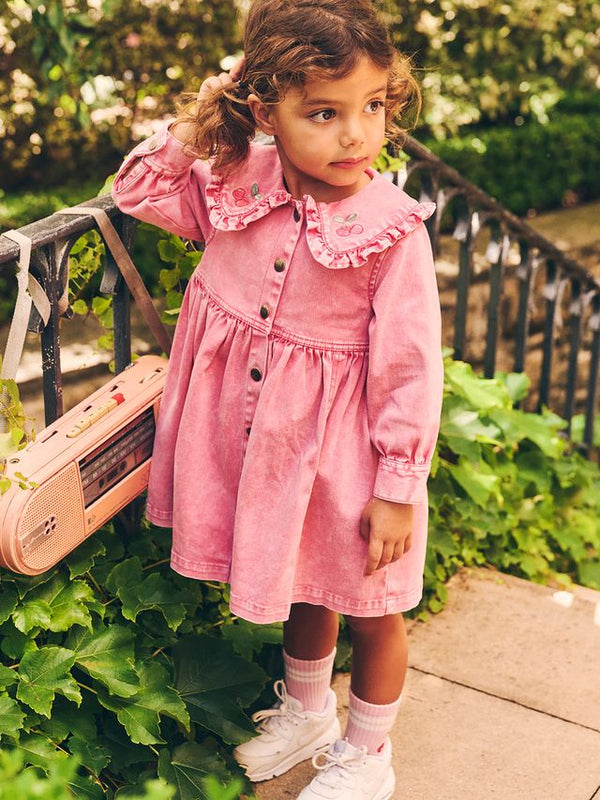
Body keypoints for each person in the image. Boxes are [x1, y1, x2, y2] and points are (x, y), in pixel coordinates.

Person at [111, 1, 443, 797]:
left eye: (372, 108)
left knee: (370, 606)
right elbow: (133, 190)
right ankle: (305, 710)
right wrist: (205, 115)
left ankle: (367, 754)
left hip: (349, 463)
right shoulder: (233, 182)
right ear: (266, 110)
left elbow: (411, 369)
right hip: (269, 455)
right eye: (323, 114)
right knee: (307, 580)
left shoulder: (391, 233)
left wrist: (398, 490)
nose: (356, 136)